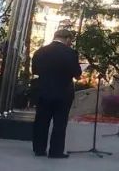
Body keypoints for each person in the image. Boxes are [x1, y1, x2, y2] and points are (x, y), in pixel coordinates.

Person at [31, 28, 83, 159]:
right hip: (63, 93)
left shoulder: (40, 51)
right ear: (67, 39)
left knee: (41, 121)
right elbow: (77, 74)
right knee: (60, 123)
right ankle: (55, 151)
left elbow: (35, 71)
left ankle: (39, 149)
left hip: (43, 90)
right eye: (70, 40)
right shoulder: (71, 53)